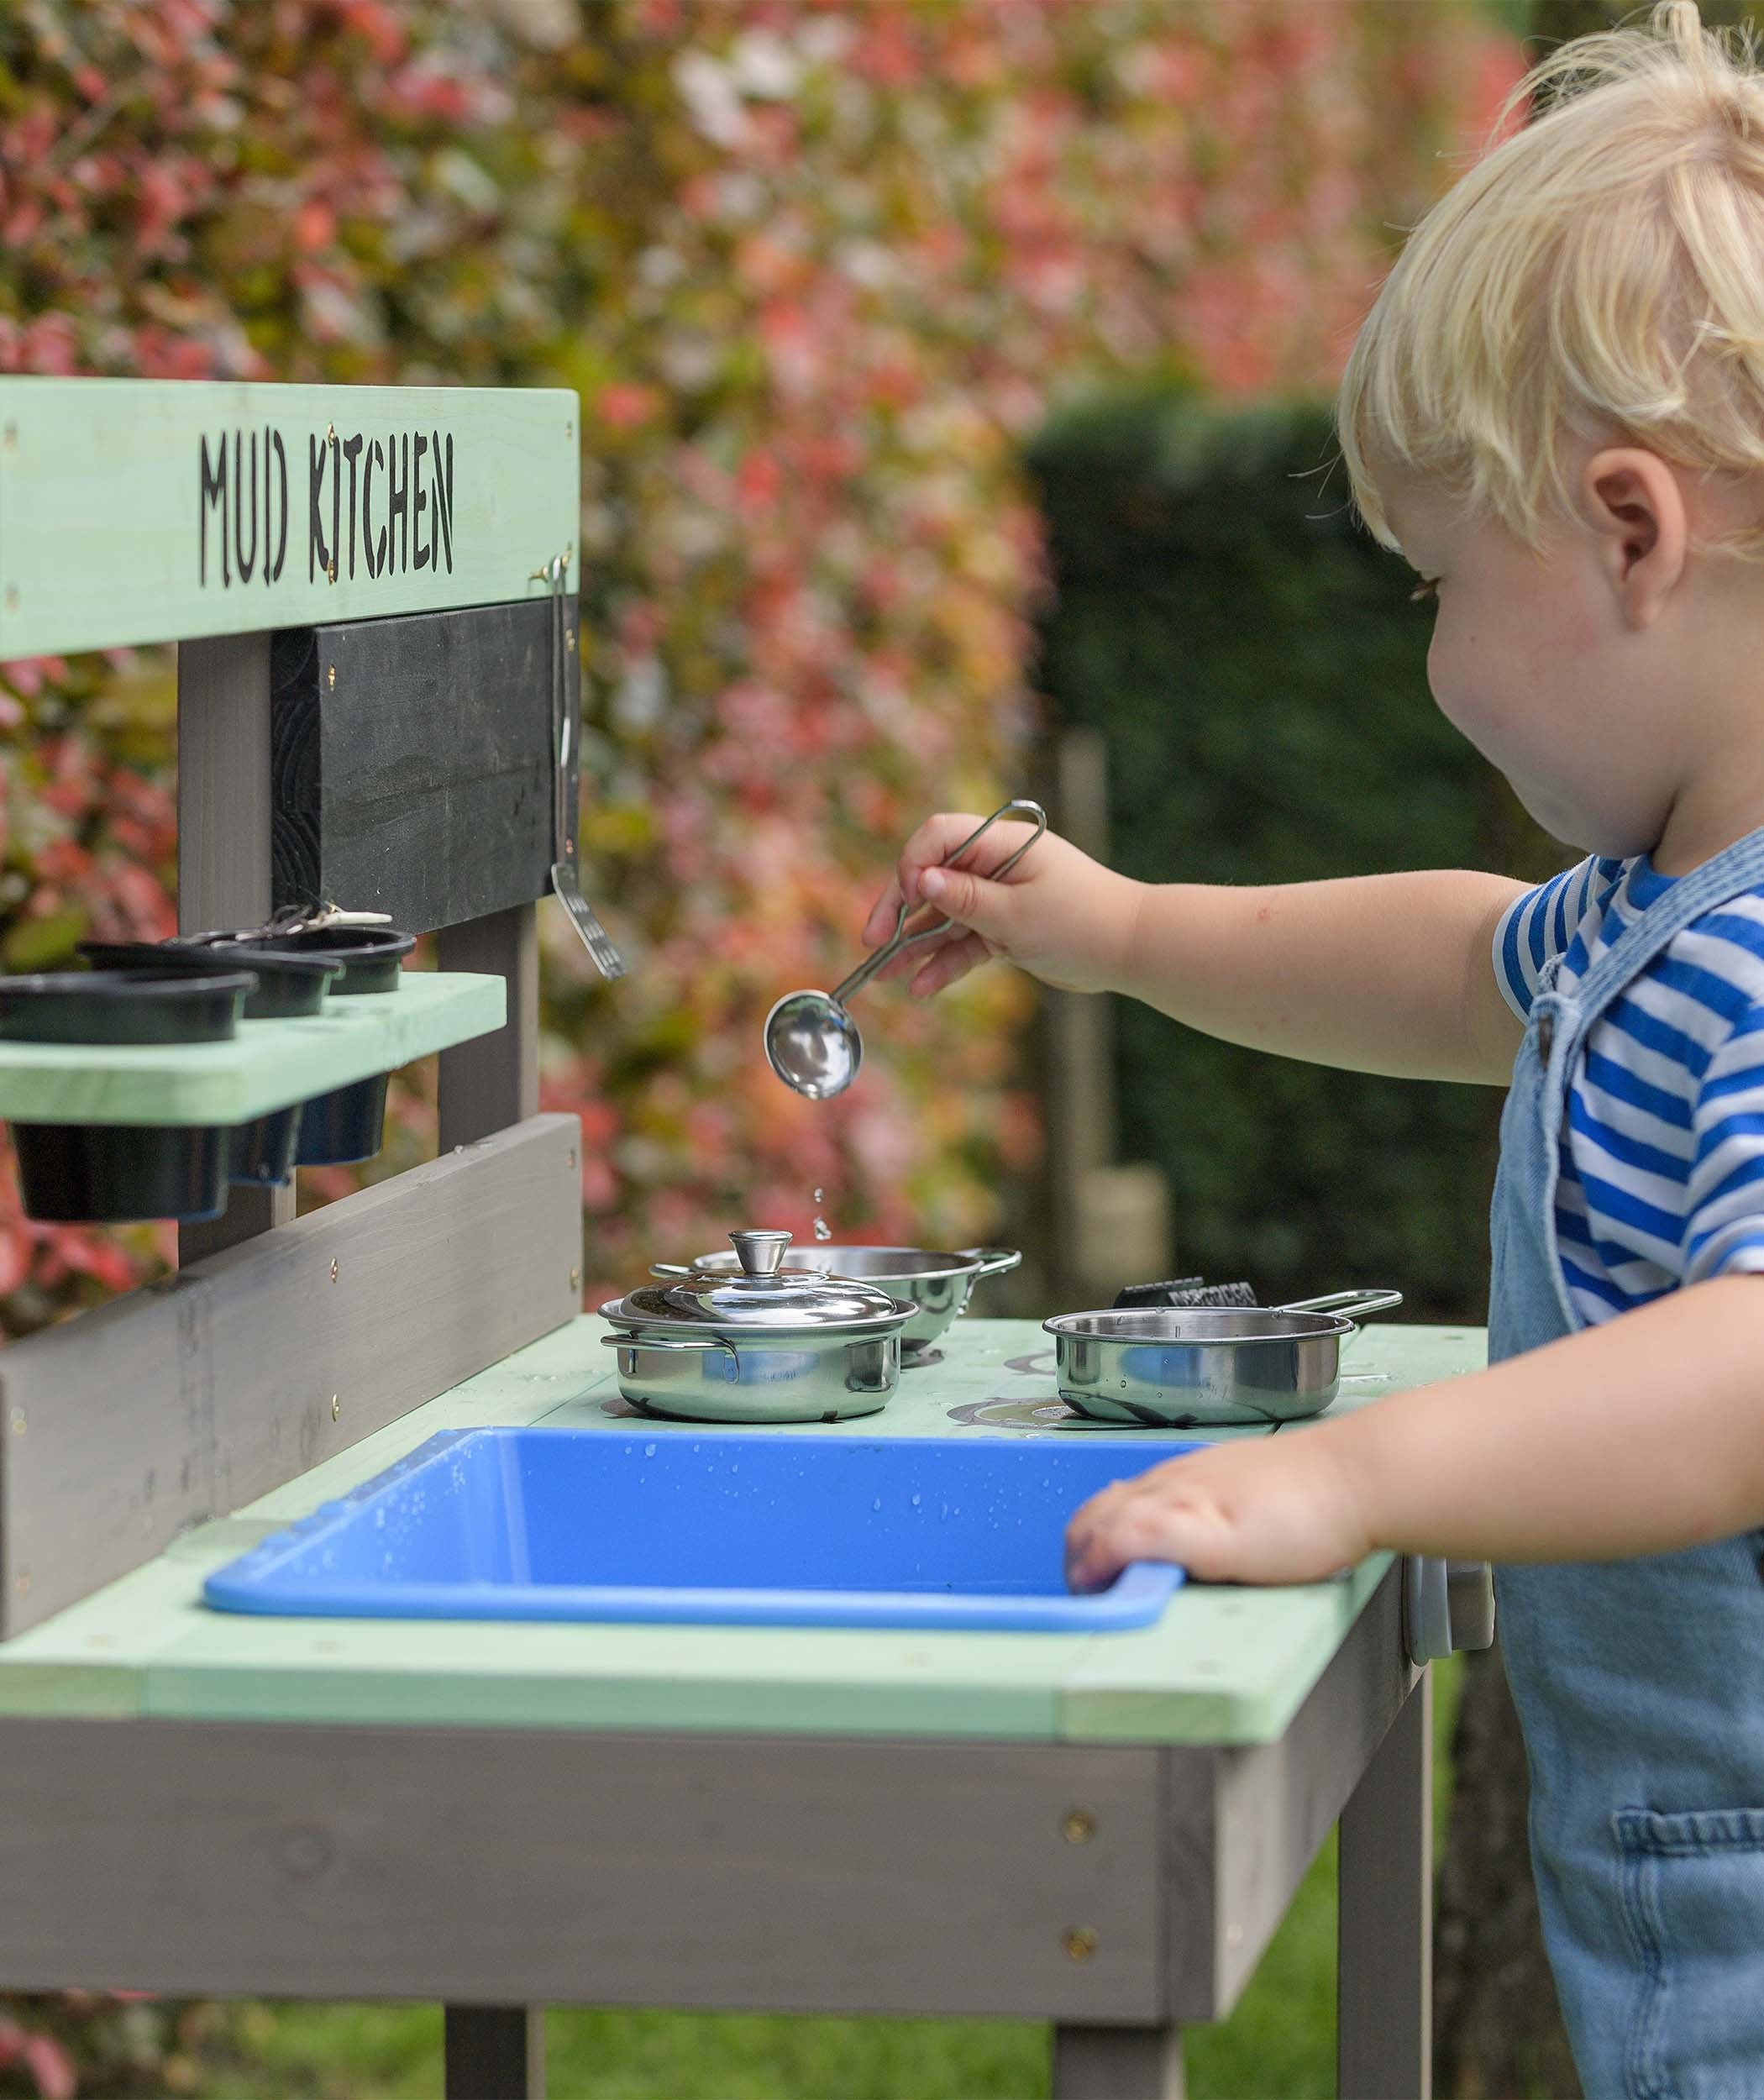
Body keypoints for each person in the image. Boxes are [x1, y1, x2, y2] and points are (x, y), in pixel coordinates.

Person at [861, 6, 1764, 2090]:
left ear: (1634, 533)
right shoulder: (1659, 909)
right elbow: (1464, 971)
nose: (1433, 653)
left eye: (1443, 578)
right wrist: (1123, 929)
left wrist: (1349, 1475)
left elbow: (1742, 1368)